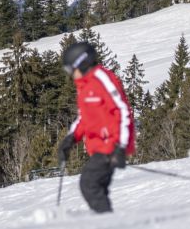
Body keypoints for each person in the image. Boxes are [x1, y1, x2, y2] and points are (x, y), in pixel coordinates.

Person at [57, 42, 135, 213]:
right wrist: (71, 138)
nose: (71, 75)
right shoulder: (84, 86)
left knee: (89, 184)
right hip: (99, 145)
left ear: (81, 63)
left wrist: (120, 146)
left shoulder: (102, 79)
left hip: (111, 144)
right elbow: (84, 117)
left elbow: (122, 110)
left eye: (71, 70)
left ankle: (108, 222)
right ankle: (107, 219)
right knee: (97, 187)